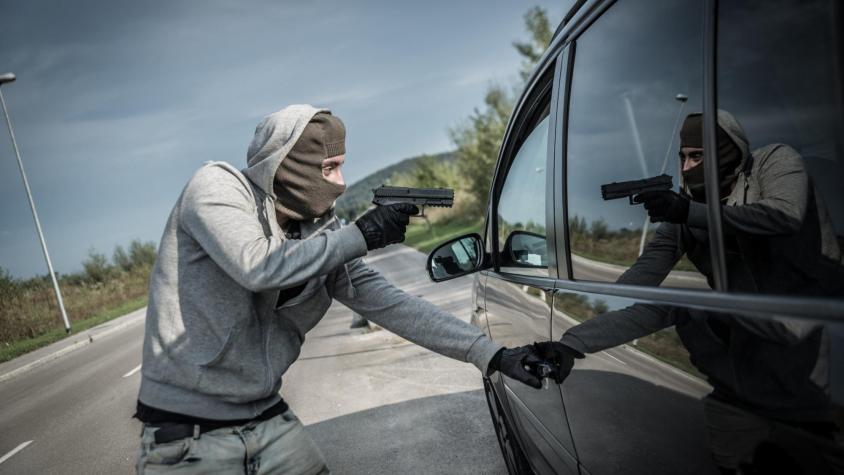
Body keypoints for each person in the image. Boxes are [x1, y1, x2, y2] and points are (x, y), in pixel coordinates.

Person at [134, 105, 550, 474]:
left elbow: (392, 304)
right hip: (188, 434)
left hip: (265, 415)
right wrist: (362, 233)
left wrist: (489, 353)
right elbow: (258, 267)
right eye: (329, 168)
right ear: (288, 165)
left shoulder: (319, 233)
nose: (340, 183)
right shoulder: (215, 188)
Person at [537, 110, 844, 473]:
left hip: (816, 340)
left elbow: (785, 215)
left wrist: (688, 210)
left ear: (726, 150)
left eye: (697, 156)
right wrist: (573, 342)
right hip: (742, 362)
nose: (686, 168)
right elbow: (641, 293)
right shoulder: (683, 218)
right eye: (682, 157)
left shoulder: (773, 161)